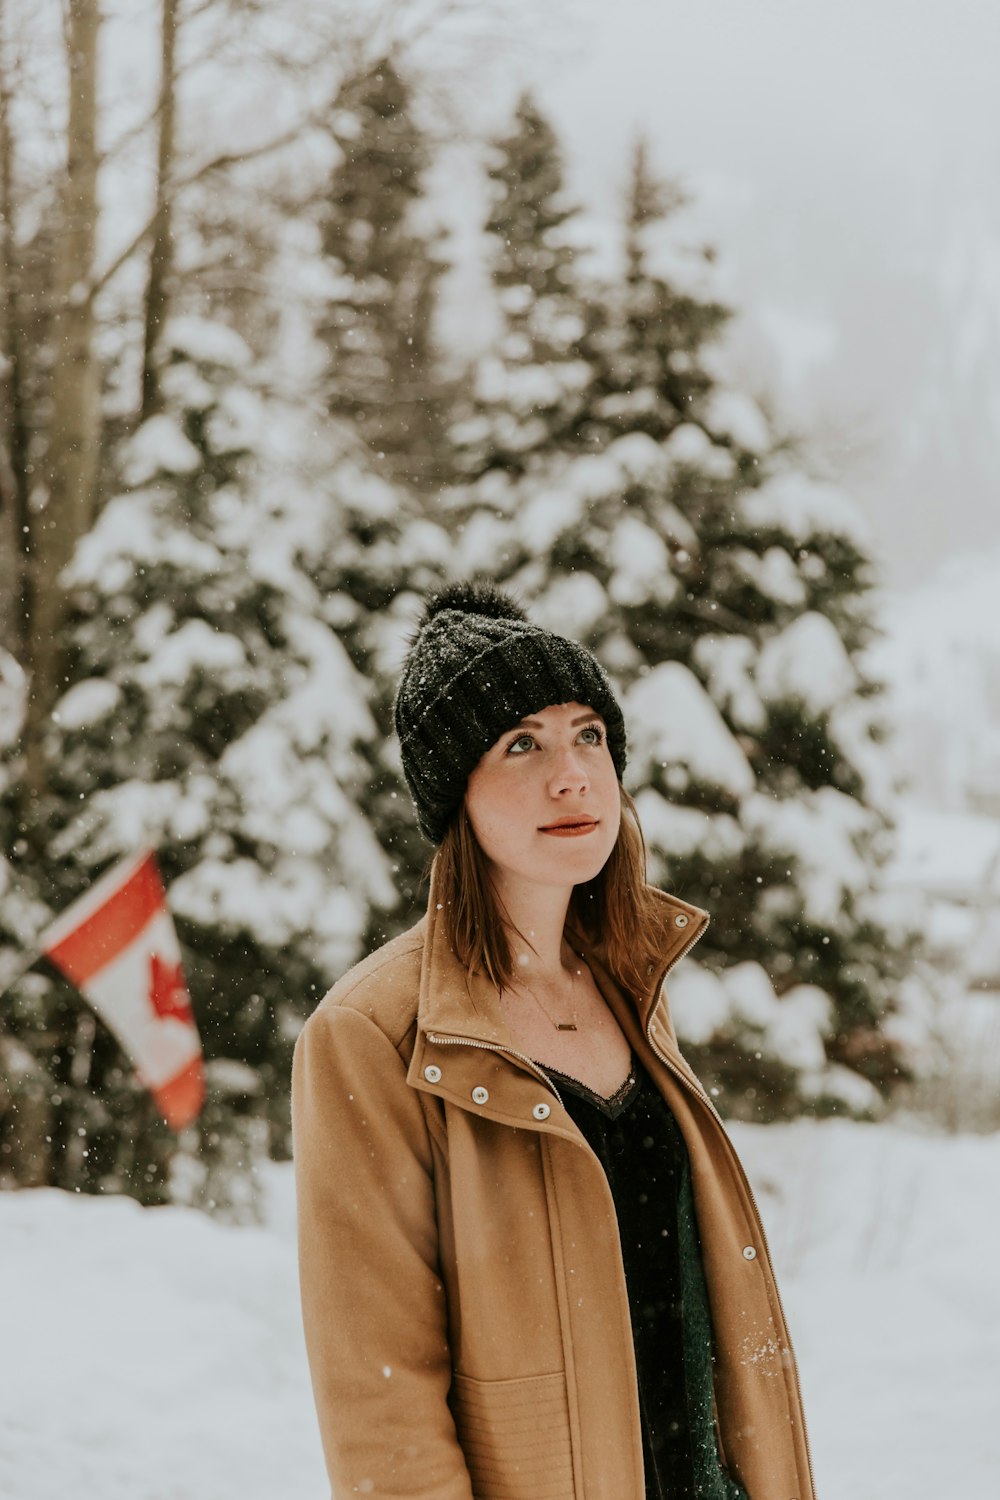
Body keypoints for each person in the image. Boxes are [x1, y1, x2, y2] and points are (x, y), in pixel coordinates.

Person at [292, 581, 815, 1500]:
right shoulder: (373, 1033)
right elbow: (382, 1405)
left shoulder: (633, 986)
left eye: (589, 735)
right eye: (521, 744)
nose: (571, 773)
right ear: (456, 792)